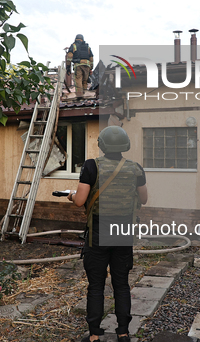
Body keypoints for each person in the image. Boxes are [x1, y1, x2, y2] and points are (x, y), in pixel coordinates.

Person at [68, 126, 148, 342]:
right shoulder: (136, 168)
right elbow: (143, 199)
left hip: (98, 235)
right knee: (121, 284)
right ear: (125, 145)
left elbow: (80, 202)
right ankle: (123, 333)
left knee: (96, 285)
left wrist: (72, 196)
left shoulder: (91, 166)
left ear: (102, 145)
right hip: (123, 235)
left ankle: (94, 335)